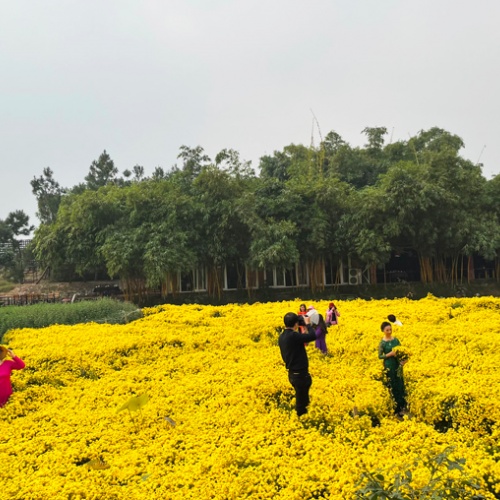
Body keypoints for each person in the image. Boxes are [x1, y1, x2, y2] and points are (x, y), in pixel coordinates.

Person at [278, 312, 319, 416]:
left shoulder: (282, 337)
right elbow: (313, 335)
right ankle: (302, 420)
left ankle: (303, 419)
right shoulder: (293, 336)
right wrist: (308, 324)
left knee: (303, 399)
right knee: (302, 404)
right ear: (296, 324)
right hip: (300, 375)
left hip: (292, 374)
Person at [378, 322, 407, 417]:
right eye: (387, 330)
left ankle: (402, 406)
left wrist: (403, 360)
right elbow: (380, 356)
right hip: (389, 365)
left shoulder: (396, 340)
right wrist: (389, 354)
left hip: (398, 365)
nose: (389, 331)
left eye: (390, 329)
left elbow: (402, 350)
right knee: (393, 384)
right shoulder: (382, 343)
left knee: (400, 384)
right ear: (383, 331)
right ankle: (396, 408)